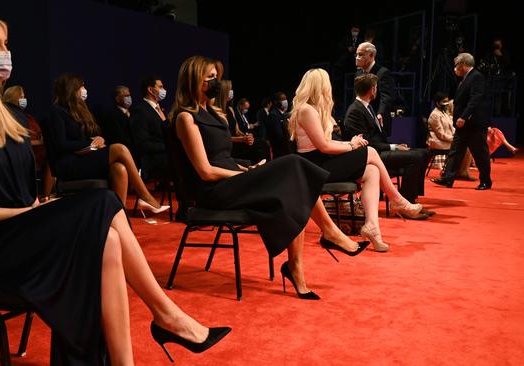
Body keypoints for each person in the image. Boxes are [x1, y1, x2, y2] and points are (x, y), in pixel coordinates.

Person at [0, 13, 228, 365]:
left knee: (109, 240)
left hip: (20, 233)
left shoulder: (13, 118)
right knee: (102, 202)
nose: (4, 52)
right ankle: (167, 315)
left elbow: (23, 190)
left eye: (6, 44)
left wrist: (32, 211)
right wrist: (25, 214)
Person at [169, 55, 368, 300]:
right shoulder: (185, 118)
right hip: (212, 191)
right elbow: (205, 171)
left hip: (232, 180)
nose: (215, 83)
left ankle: (297, 265)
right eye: (209, 78)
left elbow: (223, 158)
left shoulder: (215, 114)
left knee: (296, 184)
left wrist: (246, 171)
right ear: (193, 80)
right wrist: (244, 174)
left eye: (216, 77)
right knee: (296, 164)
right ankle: (329, 233)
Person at [289, 69, 424, 252]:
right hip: (313, 166)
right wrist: (352, 145)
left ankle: (372, 227)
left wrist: (350, 142)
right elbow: (324, 147)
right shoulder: (306, 110)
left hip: (322, 160)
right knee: (370, 151)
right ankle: (396, 200)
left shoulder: (315, 109)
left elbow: (327, 144)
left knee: (372, 171)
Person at [50, 73, 169, 212]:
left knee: (120, 169)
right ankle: (145, 196)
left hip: (85, 156)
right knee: (120, 148)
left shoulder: (80, 111)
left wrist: (97, 139)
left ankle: (118, 214)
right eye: (81, 86)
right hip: (70, 163)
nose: (84, 89)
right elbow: (60, 144)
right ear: (71, 88)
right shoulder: (56, 112)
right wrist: (89, 144)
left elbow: (89, 136)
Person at [344, 73, 430, 209]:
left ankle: (412, 196)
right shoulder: (355, 110)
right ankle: (404, 201)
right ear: (372, 89)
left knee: (424, 152)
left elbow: (375, 135)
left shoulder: (367, 107)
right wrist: (393, 147)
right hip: (372, 155)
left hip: (379, 149)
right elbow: (365, 143)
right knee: (416, 157)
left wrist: (380, 127)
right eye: (376, 87)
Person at [432, 53, 493, 190]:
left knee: (480, 153)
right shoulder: (466, 78)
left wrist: (464, 117)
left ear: (464, 64)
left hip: (473, 124)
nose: (455, 68)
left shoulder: (476, 77)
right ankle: (447, 178)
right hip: (463, 126)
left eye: (457, 65)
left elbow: (475, 100)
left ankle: (485, 181)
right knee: (455, 152)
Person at [3, 85, 55, 198]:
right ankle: (44, 196)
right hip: (27, 152)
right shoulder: (8, 117)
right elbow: (16, 140)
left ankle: (47, 195)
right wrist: (38, 142)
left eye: (24, 96)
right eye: (21, 96)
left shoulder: (28, 117)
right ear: (14, 98)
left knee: (55, 156)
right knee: (52, 159)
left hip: (40, 151)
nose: (24, 99)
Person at [129, 75, 170, 181]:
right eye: (160, 87)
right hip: (154, 161)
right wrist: (169, 147)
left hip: (167, 155)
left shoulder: (161, 109)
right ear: (150, 90)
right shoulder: (140, 111)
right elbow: (143, 144)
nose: (163, 90)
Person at [427, 93, 472, 178]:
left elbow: (452, 128)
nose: (447, 103)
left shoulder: (445, 113)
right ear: (437, 103)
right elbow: (441, 135)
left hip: (447, 140)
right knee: (463, 147)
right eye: (444, 101)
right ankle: (459, 172)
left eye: (447, 101)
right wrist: (454, 139)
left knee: (466, 145)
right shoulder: (434, 115)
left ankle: (461, 172)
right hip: (438, 142)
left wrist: (458, 136)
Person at [355, 42, 396, 135]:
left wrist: (380, 113)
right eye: (356, 54)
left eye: (360, 54)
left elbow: (386, 97)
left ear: (371, 55)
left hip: (377, 119)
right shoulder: (358, 74)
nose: (357, 57)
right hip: (361, 120)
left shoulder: (383, 73)